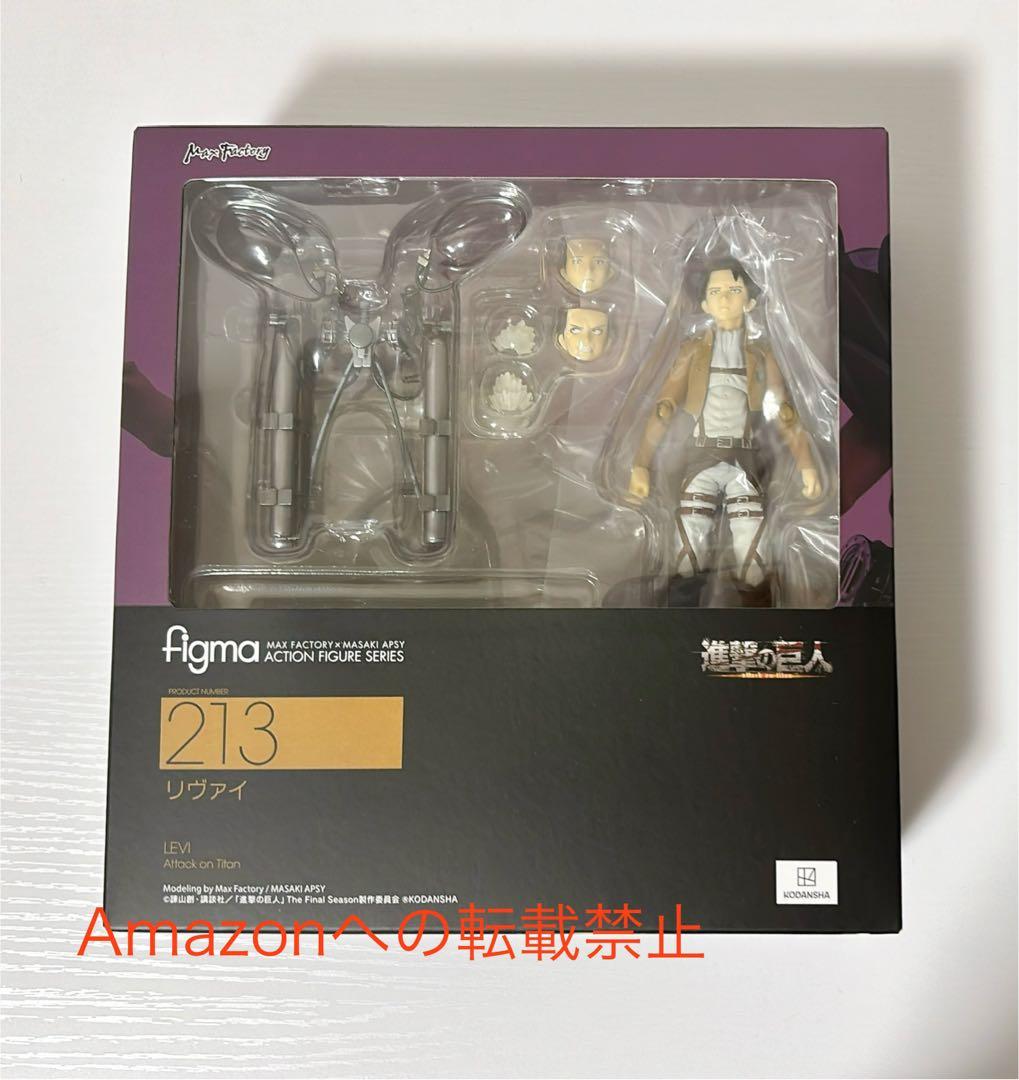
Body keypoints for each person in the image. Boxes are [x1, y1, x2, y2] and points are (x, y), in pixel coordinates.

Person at [628, 257, 819, 605]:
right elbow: (664, 407)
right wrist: (641, 463)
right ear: (704, 304)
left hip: (744, 461)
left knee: (753, 552)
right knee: (688, 550)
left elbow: (783, 412)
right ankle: (680, 617)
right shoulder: (692, 351)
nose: (725, 298)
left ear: (750, 301)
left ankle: (757, 615)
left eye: (733, 289)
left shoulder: (762, 355)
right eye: (715, 292)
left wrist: (806, 464)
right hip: (699, 457)